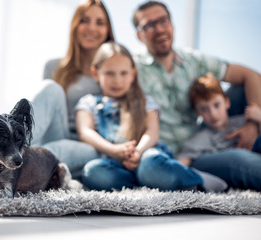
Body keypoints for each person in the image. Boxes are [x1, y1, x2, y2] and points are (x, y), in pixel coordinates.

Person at [0, 0, 115, 189]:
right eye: (85, 20)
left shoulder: (116, 71)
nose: (92, 27)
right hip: (52, 135)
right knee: (50, 88)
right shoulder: (55, 66)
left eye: (100, 22)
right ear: (75, 24)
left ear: (108, 28)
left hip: (90, 145)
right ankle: (5, 155)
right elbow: (41, 115)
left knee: (47, 153)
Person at [132, 1, 261, 191]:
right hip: (180, 156)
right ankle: (196, 180)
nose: (159, 29)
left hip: (210, 142)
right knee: (240, 160)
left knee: (241, 93)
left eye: (163, 21)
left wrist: (252, 127)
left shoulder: (193, 60)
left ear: (172, 23)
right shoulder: (131, 69)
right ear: (139, 35)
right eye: (150, 25)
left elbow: (254, 77)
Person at [75, 42, 227, 192]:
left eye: (123, 73)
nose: (117, 80)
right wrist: (114, 150)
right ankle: (148, 184)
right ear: (96, 73)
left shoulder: (145, 101)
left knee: (150, 165)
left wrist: (138, 152)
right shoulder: (90, 102)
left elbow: (152, 133)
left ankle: (198, 179)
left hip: (146, 154)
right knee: (92, 171)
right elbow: (85, 132)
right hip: (115, 162)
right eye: (110, 73)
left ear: (133, 74)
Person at [177, 74, 261, 192]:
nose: (213, 114)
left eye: (216, 105)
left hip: (259, 158)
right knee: (240, 157)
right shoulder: (203, 137)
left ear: (227, 102)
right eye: (205, 109)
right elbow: (182, 162)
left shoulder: (243, 122)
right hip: (241, 168)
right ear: (197, 113)